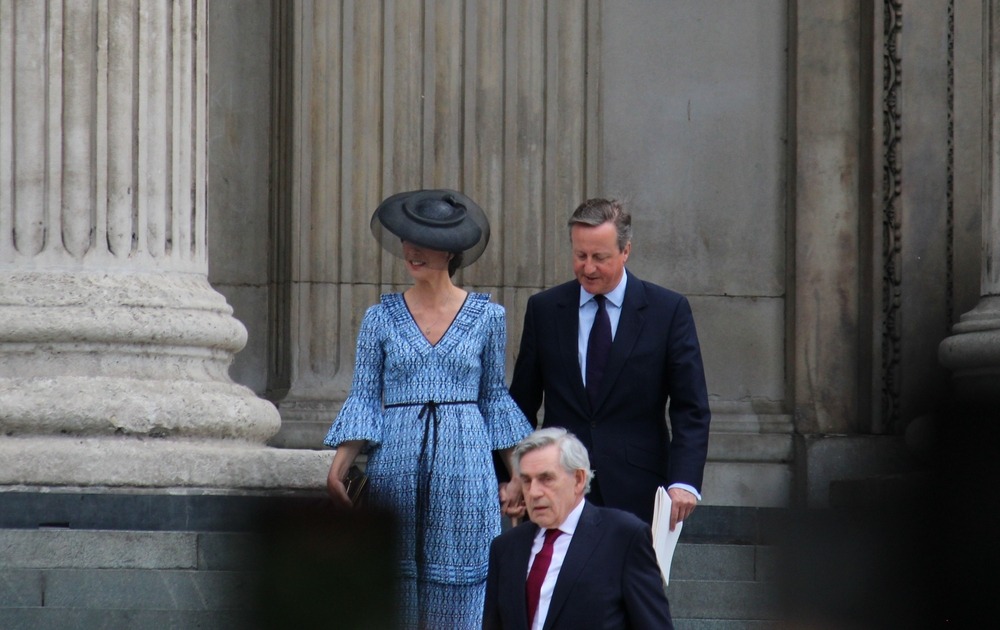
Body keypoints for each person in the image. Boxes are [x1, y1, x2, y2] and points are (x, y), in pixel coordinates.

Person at [324, 189, 532, 629]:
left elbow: (493, 397)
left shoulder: (488, 316)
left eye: (423, 240)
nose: (410, 249)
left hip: (467, 464)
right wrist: (337, 468)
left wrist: (517, 476)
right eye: (406, 238)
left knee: (466, 580)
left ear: (452, 251)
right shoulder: (378, 317)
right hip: (395, 464)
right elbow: (364, 396)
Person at [509, 198, 711, 528]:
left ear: (625, 251)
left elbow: (691, 407)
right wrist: (514, 475)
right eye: (580, 256)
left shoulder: (667, 311)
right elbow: (521, 405)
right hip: (559, 486)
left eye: (600, 258)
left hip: (639, 489)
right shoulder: (545, 310)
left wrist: (684, 481)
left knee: (628, 581)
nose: (588, 268)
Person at [483, 427, 673, 629]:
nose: (534, 492)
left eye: (546, 479)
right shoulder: (505, 547)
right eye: (527, 481)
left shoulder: (623, 537)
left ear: (579, 480)